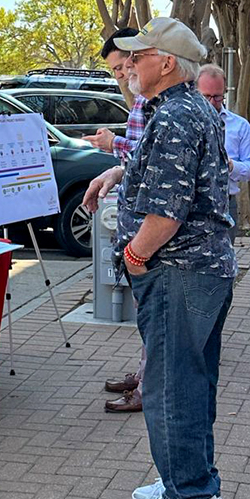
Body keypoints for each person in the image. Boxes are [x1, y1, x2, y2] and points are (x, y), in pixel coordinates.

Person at [113, 17, 235, 499]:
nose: (130, 67)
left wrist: (135, 257)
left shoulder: (174, 117)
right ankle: (190, 481)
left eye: (138, 57)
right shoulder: (189, 111)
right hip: (200, 271)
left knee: (171, 385)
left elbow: (167, 211)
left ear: (166, 63)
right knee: (191, 381)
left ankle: (189, 498)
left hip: (179, 271)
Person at [82, 27, 148, 414]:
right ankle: (144, 375)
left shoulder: (162, 103)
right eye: (116, 70)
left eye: (124, 66)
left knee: (152, 315)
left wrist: (114, 145)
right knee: (146, 314)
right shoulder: (143, 100)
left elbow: (149, 156)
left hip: (146, 230)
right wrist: (113, 171)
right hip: (134, 222)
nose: (122, 75)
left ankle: (147, 385)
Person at [197, 64, 250, 244]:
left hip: (225, 203)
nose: (210, 103)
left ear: (224, 93)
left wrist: (231, 166)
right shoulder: (185, 125)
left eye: (216, 97)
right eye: (205, 96)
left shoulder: (240, 126)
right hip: (191, 205)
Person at [83, 27, 147, 164]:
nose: (118, 75)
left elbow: (155, 155)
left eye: (119, 67)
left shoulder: (160, 102)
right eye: (114, 70)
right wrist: (119, 173)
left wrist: (113, 142)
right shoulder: (141, 97)